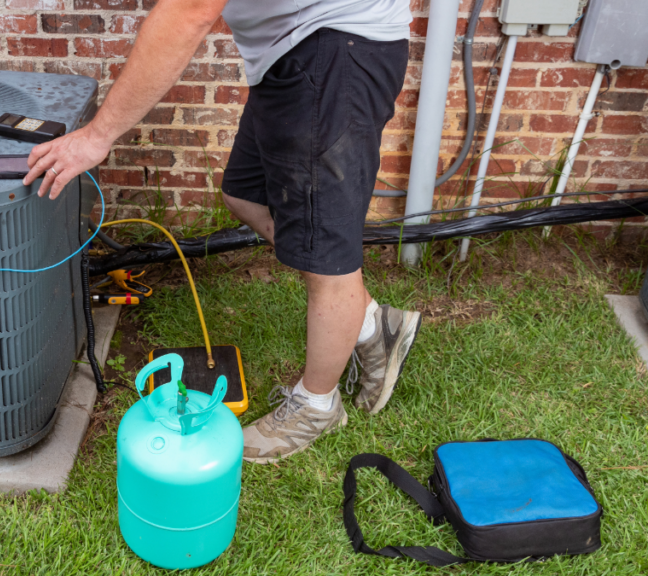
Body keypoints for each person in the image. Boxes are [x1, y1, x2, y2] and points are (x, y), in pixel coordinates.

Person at [23, 0, 422, 464]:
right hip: (289, 54)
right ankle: (371, 322)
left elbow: (189, 11)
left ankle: (317, 403)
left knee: (325, 252)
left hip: (335, 51)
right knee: (244, 194)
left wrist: (97, 137)